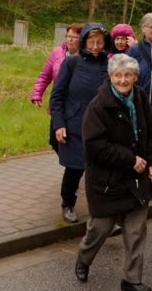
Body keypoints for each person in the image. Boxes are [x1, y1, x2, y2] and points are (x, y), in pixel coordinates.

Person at [75, 54, 152, 291]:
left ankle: (131, 280)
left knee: (136, 233)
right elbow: (95, 147)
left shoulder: (141, 97)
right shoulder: (98, 106)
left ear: (136, 76)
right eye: (118, 75)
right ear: (111, 77)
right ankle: (84, 257)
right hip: (107, 182)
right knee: (99, 229)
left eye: (128, 75)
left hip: (136, 180)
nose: (123, 80)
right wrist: (130, 159)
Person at [50, 22, 112, 224]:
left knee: (102, 171)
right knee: (75, 168)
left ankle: (103, 214)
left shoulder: (110, 65)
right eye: (91, 42)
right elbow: (57, 96)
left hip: (102, 127)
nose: (95, 46)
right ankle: (68, 204)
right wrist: (59, 124)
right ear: (84, 42)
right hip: (75, 124)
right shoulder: (72, 63)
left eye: (99, 42)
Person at [30, 23, 83, 153]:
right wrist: (37, 94)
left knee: (74, 138)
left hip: (77, 105)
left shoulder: (87, 57)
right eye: (68, 36)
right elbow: (44, 75)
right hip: (59, 103)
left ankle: (76, 167)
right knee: (54, 140)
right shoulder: (57, 52)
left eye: (74, 37)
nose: (69, 40)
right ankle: (75, 165)